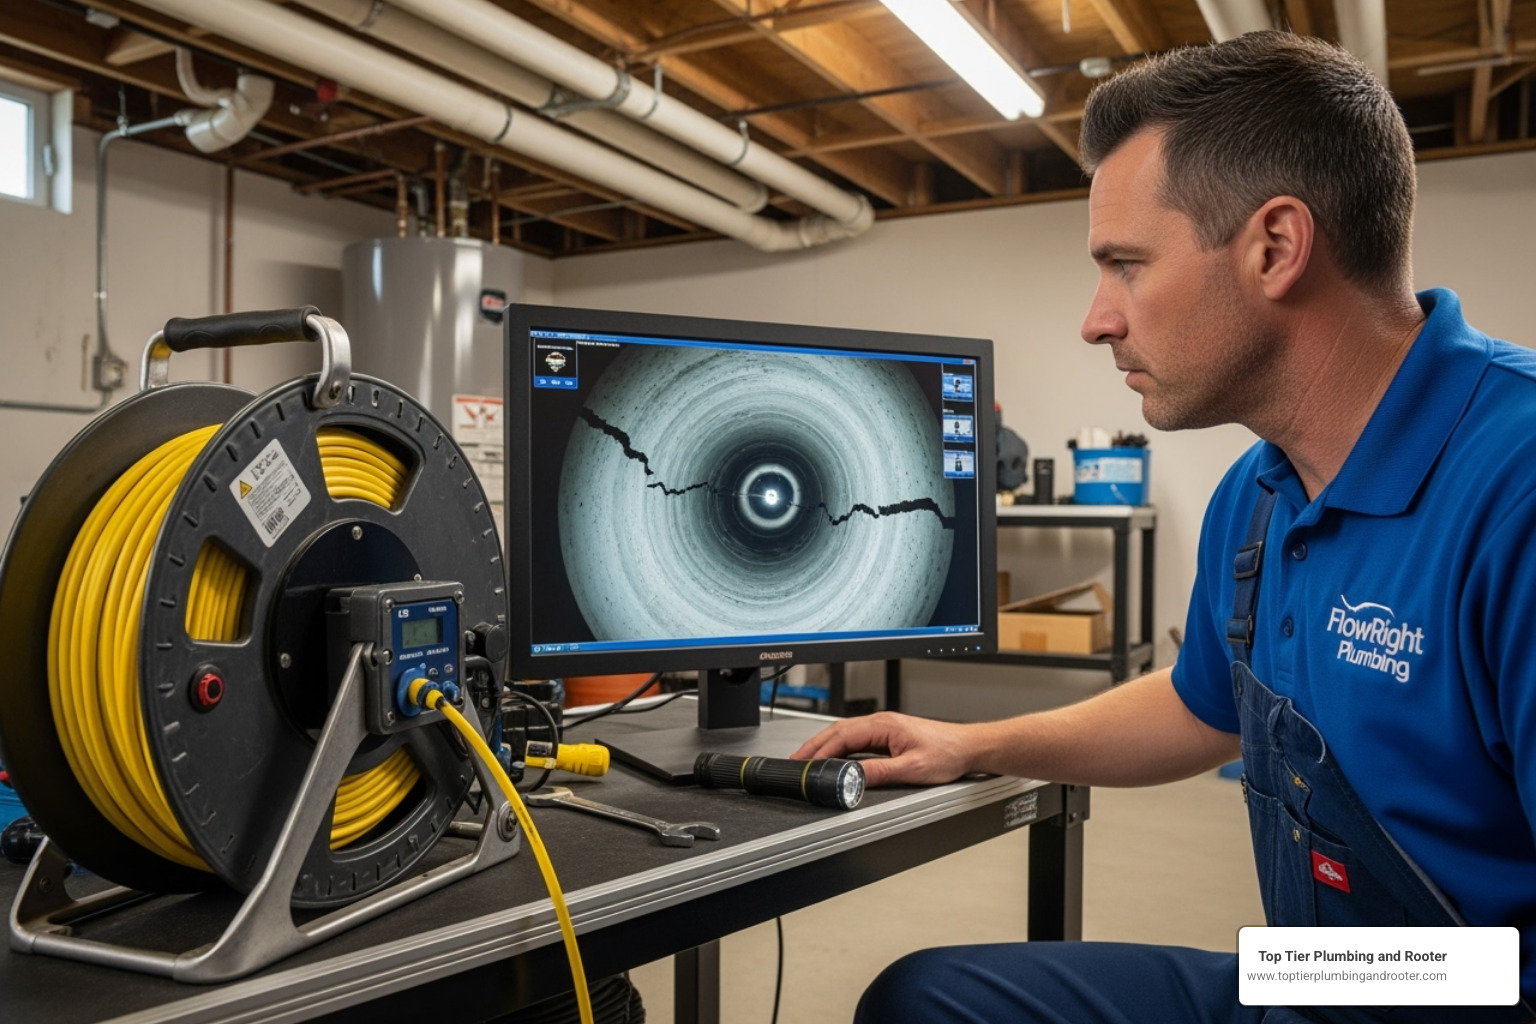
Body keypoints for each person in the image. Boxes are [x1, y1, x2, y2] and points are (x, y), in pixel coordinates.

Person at [794, 29, 1536, 1024]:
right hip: (1324, 988)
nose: (1096, 319)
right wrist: (976, 742)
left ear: (1276, 247)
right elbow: (1205, 707)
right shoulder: (1260, 495)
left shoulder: (1516, 490)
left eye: (1126, 265)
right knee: (926, 1001)